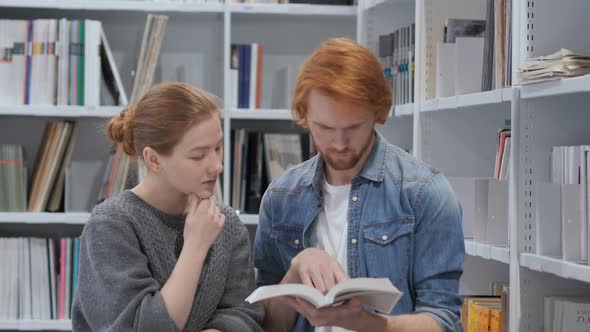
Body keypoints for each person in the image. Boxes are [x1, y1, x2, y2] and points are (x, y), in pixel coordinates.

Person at [253, 38, 465, 332]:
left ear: (377, 114)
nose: (339, 144)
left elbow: (444, 322)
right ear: (304, 116)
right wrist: (294, 274)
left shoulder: (425, 193)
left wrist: (368, 324)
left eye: (353, 127)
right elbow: (266, 326)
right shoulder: (280, 197)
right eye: (324, 128)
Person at [72, 82, 264, 332]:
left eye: (218, 148)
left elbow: (246, 314)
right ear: (153, 159)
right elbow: (141, 327)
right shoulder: (111, 225)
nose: (217, 166)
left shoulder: (225, 223)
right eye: (198, 155)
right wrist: (195, 246)